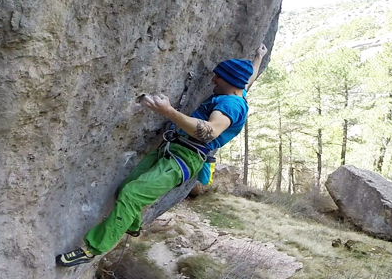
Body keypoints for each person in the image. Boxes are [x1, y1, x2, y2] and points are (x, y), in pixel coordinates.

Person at [56, 44, 269, 267]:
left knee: (131, 194)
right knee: (126, 187)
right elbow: (249, 77)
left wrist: (168, 111)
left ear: (230, 80)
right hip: (172, 149)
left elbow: (210, 131)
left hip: (183, 160)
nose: (214, 79)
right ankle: (132, 224)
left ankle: (91, 249)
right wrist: (258, 57)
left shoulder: (230, 104)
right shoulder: (238, 90)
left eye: (219, 76)